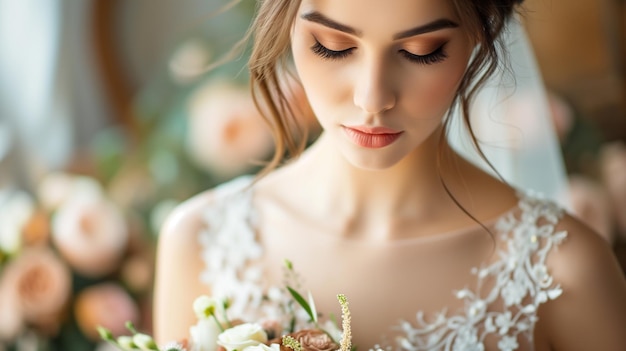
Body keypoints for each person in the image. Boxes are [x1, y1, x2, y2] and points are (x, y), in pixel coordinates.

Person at [153, 0, 626, 350]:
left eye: (421, 51)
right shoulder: (200, 240)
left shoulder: (564, 271)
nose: (372, 97)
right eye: (333, 47)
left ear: (481, 32)